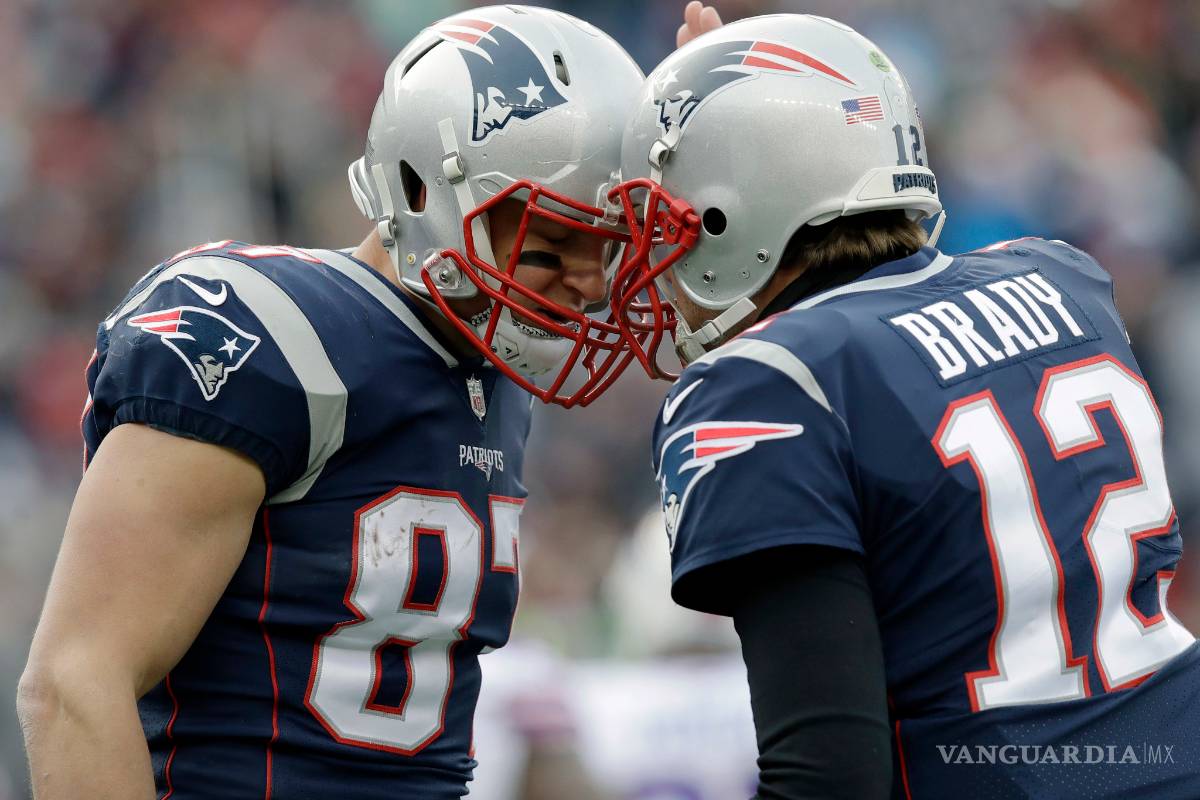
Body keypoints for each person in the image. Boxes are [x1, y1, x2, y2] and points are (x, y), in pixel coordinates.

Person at [16, 6, 650, 799]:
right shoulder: (269, 330)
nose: (588, 287)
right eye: (553, 244)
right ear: (423, 188)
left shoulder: (487, 370)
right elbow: (76, 682)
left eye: (609, 248)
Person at [609, 13, 1200, 800]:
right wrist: (718, 118)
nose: (656, 255)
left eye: (672, 221)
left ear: (731, 211)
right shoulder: (1062, 278)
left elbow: (828, 776)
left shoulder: (764, 383)